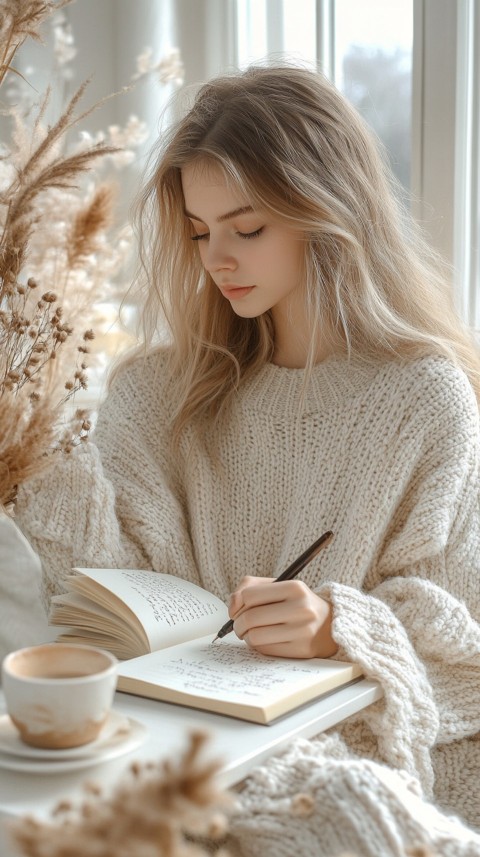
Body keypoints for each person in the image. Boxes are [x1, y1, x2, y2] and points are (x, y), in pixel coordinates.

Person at [15, 64, 480, 839]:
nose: (216, 258)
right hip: (174, 744)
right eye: (199, 232)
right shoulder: (159, 392)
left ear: (328, 211)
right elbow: (102, 593)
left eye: (248, 228)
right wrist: (42, 436)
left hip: (347, 753)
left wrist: (339, 626)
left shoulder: (424, 397)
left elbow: (463, 642)